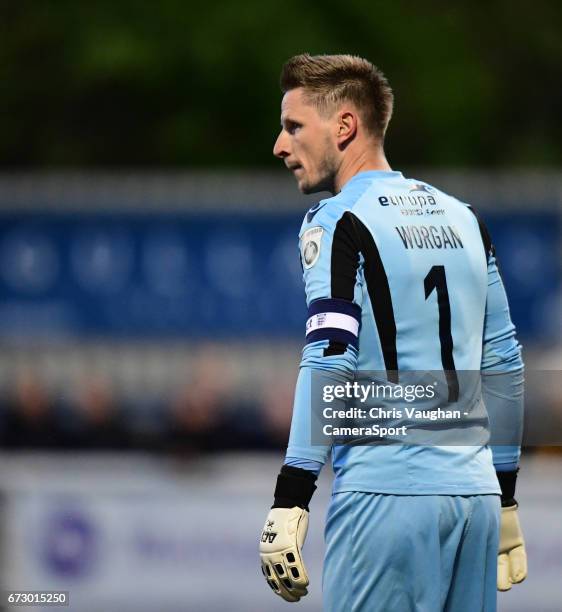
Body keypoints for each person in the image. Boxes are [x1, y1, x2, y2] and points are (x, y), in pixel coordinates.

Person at [258, 54, 527, 612]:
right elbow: (504, 362)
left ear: (345, 125)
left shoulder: (337, 221)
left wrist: (292, 497)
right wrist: (504, 497)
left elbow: (330, 356)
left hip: (388, 494)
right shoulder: (464, 217)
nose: (280, 147)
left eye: (292, 127)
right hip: (475, 500)